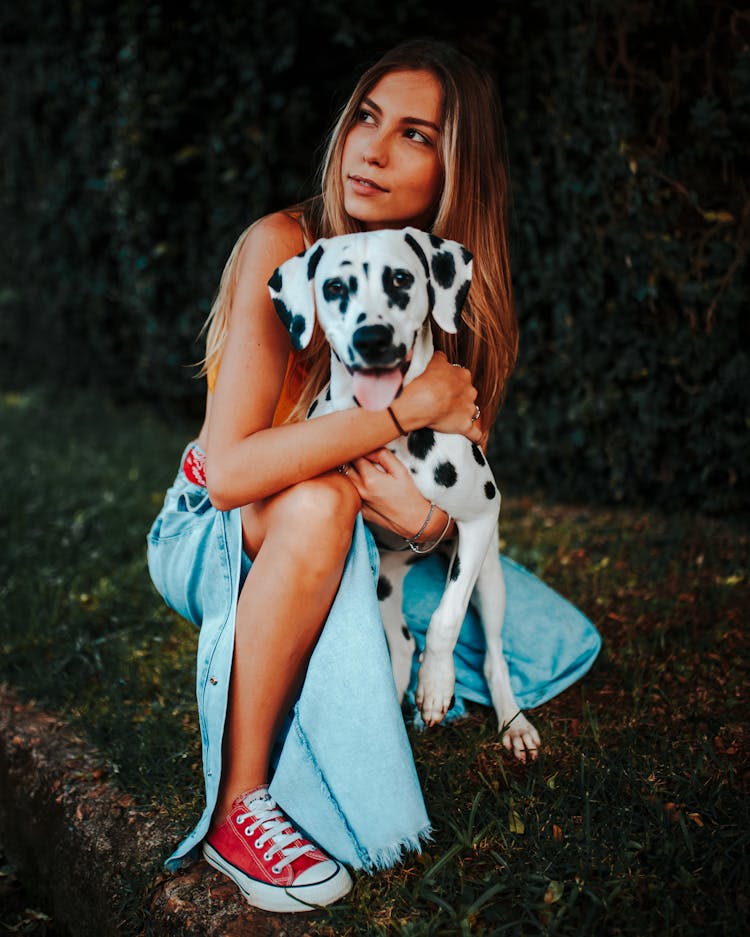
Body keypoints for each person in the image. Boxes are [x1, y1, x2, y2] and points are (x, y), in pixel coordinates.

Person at [147, 39, 601, 914]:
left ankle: (340, 644)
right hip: (217, 529)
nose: (373, 148)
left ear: (452, 172)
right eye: (366, 117)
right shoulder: (285, 246)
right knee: (320, 501)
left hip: (375, 539)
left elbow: (443, 499)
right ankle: (243, 804)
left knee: (550, 640)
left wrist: (426, 524)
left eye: (415, 134)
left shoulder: (434, 287)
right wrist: (403, 410)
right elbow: (234, 472)